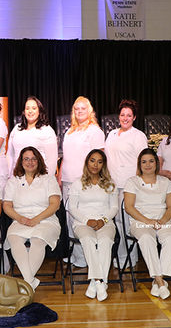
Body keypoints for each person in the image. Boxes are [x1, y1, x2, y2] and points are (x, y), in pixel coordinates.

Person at [123, 148, 171, 300]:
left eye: (151, 161)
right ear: (139, 164)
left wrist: (162, 221)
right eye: (144, 162)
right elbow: (129, 207)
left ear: (156, 163)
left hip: (162, 220)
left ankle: (157, 279)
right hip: (140, 222)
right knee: (147, 238)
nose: (147, 165)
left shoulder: (165, 181)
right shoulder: (132, 182)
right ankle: (161, 281)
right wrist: (148, 222)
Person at [3, 147, 61, 290]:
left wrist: (37, 219)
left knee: (37, 240)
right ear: (21, 162)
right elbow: (7, 206)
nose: (30, 162)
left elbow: (55, 205)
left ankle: (26, 285)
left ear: (39, 161)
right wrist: (20, 218)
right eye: (26, 159)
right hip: (20, 220)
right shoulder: (13, 181)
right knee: (14, 239)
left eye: (33, 158)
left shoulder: (48, 179)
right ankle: (29, 282)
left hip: (45, 220)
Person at [66, 149, 118, 301]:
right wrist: (86, 220)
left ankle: (96, 283)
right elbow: (72, 208)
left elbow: (114, 208)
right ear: (87, 162)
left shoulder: (110, 184)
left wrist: (103, 220)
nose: (95, 165)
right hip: (82, 223)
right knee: (88, 240)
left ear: (103, 165)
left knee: (105, 241)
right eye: (92, 160)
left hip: (105, 222)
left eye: (100, 161)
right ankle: (100, 281)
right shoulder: (77, 183)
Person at [59, 96, 105, 268]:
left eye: (83, 109)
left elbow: (99, 158)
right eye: (76, 109)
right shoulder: (70, 131)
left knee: (83, 218)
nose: (79, 112)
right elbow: (66, 157)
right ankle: (77, 256)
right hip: (67, 180)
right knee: (70, 218)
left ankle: (88, 257)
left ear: (89, 111)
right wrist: (60, 176)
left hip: (84, 182)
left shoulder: (95, 131)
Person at [105, 99, 149, 267]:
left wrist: (137, 184)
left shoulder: (138, 136)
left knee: (128, 221)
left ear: (134, 117)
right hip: (112, 185)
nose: (125, 118)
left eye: (129, 115)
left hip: (129, 185)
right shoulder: (111, 134)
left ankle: (129, 257)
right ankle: (123, 255)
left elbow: (143, 162)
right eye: (122, 115)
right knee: (117, 221)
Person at [7, 96, 58, 177]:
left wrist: (48, 181)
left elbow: (51, 161)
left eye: (34, 108)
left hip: (38, 179)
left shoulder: (47, 130)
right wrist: (9, 176)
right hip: (16, 178)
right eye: (27, 108)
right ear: (24, 111)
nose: (30, 111)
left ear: (39, 111)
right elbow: (10, 155)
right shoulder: (16, 129)